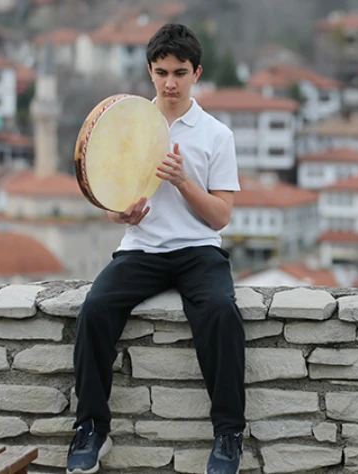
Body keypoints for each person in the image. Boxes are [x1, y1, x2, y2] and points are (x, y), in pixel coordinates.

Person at [66, 23, 245, 474]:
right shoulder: (127, 124)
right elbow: (113, 203)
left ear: (196, 73)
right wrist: (122, 215)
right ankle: (91, 429)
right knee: (95, 309)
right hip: (141, 249)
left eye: (180, 72)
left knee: (222, 313)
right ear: (149, 70)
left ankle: (228, 435)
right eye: (162, 71)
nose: (170, 82)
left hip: (198, 250)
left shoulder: (216, 134)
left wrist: (184, 181)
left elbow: (221, 217)